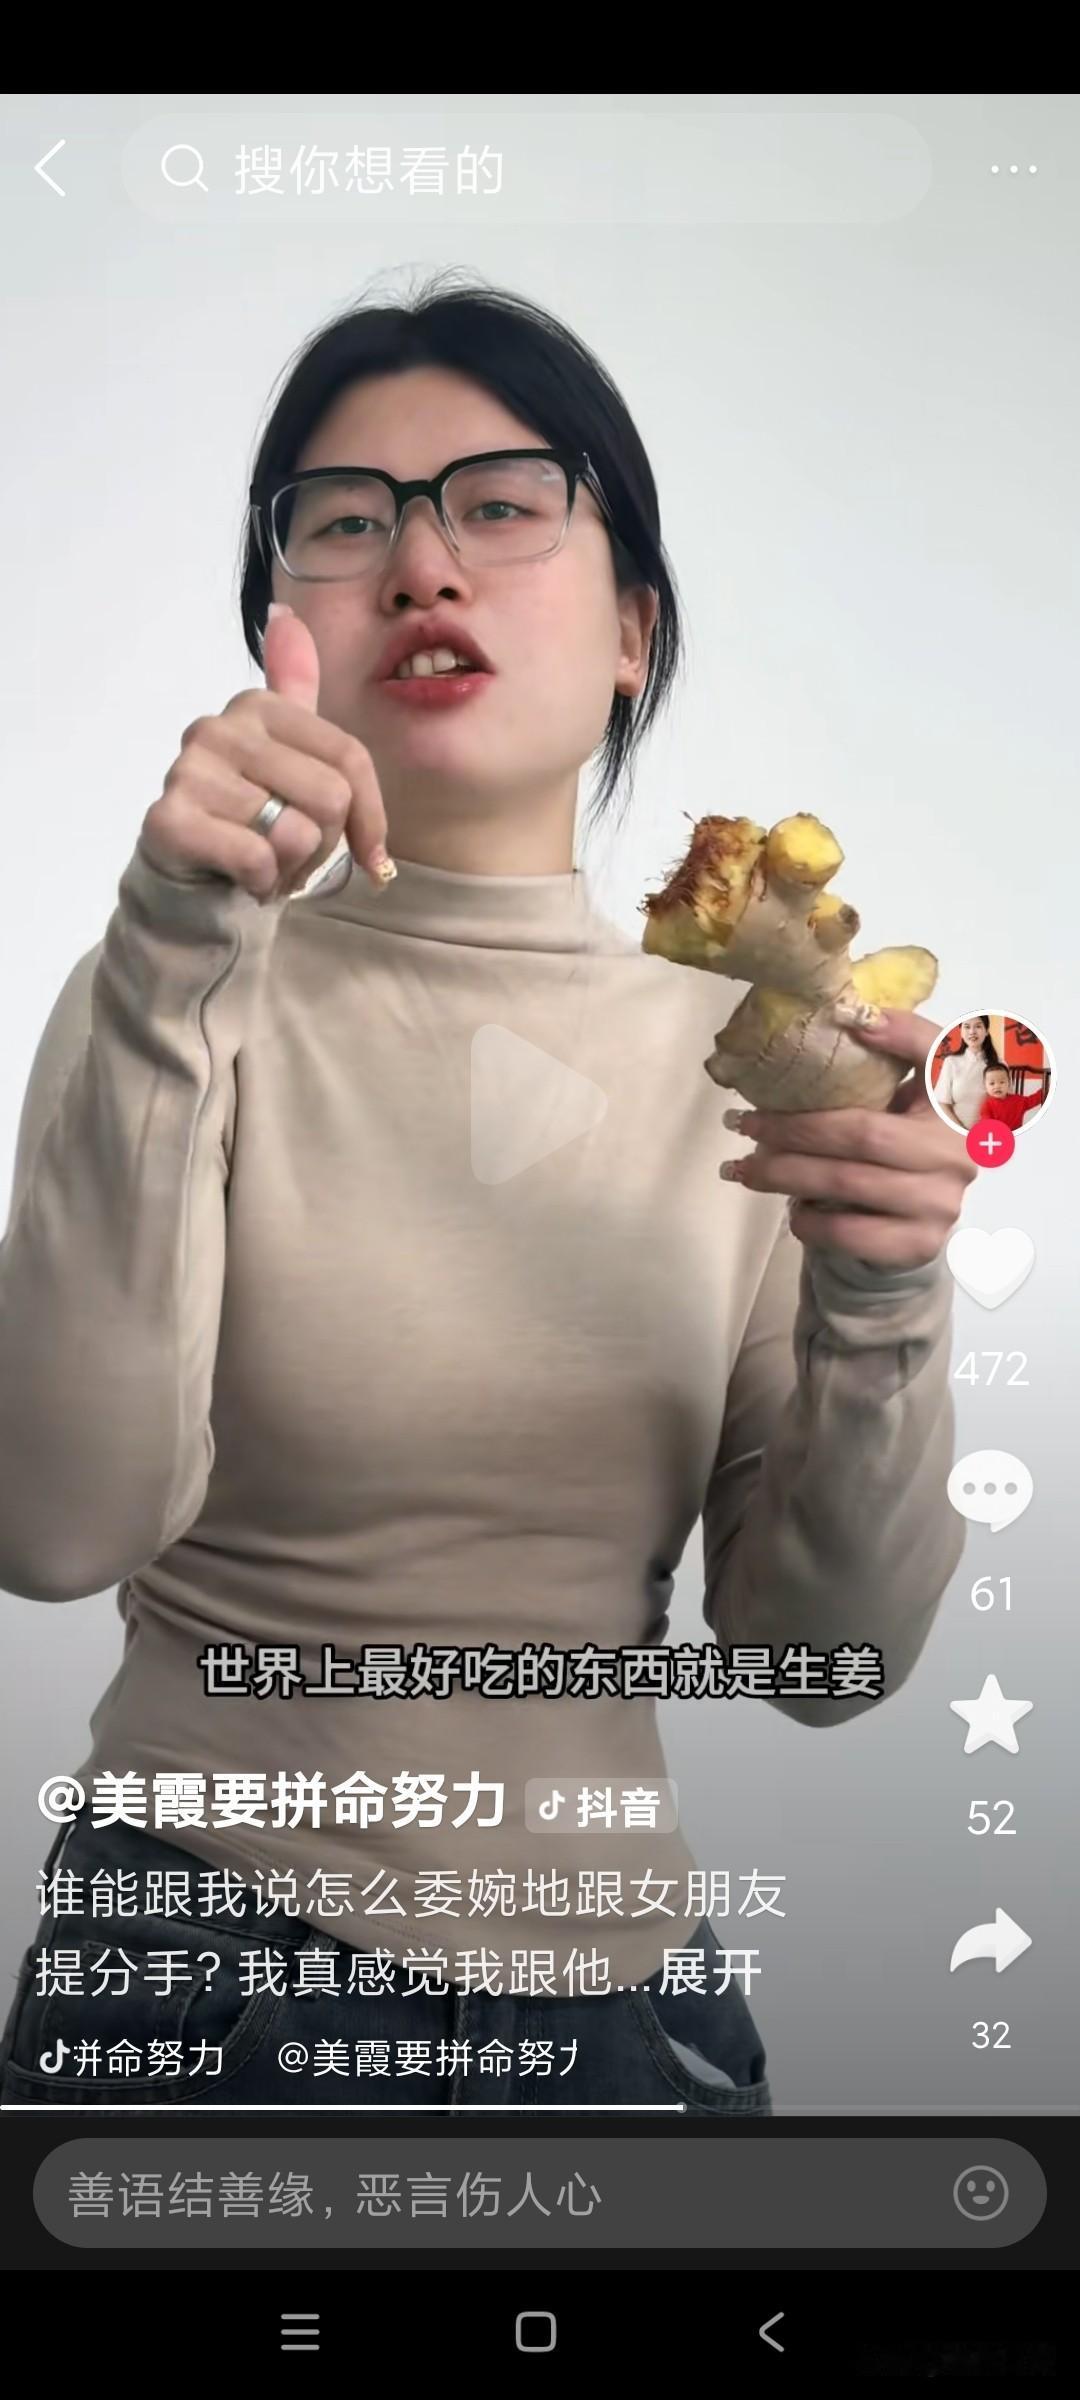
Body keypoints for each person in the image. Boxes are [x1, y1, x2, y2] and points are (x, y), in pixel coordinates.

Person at [0, 270, 976, 2114]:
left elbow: (823, 1663)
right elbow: (54, 1532)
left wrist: (883, 1294)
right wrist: (170, 957)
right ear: (282, 627)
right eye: (345, 524)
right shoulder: (171, 990)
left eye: (503, 506)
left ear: (632, 629)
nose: (423, 568)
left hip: (639, 2026)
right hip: (211, 1977)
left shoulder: (766, 1058)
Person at [932, 1015, 1002, 1131]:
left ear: (986, 1031)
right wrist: (961, 1130)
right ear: (961, 1031)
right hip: (956, 1131)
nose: (972, 1032)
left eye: (978, 1026)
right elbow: (942, 1103)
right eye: (967, 1027)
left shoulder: (999, 1063)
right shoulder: (951, 1062)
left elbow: (1007, 1103)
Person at [978, 1064, 1047, 1132]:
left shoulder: (1019, 1101)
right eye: (992, 1083)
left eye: (1002, 1082)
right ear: (985, 1086)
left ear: (1009, 1083)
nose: (997, 1086)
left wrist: (1047, 1088)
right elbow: (986, 1125)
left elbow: (1034, 1099)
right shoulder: (987, 1106)